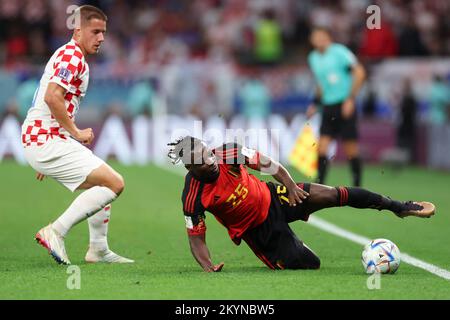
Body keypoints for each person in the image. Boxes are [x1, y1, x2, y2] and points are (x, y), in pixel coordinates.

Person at [167, 136, 435, 272]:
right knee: (311, 264)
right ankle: (294, 245)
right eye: (201, 162)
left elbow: (270, 164)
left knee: (333, 194)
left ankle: (399, 207)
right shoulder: (193, 195)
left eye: (207, 153)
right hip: (259, 231)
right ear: (190, 167)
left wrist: (292, 186)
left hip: (275, 196)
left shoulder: (227, 153)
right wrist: (207, 267)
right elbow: (196, 238)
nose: (210, 161)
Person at [21, 5, 133, 265]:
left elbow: (52, 99)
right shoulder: (72, 56)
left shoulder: (71, 56)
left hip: (46, 139)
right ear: (78, 30)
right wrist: (76, 132)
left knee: (101, 180)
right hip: (45, 139)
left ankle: (98, 249)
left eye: (103, 32)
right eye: (95, 32)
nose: (101, 38)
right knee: (114, 183)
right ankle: (56, 231)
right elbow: (52, 97)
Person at [306, 27, 366, 186]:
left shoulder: (339, 52)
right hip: (328, 106)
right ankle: (320, 185)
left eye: (321, 36)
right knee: (322, 148)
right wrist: (315, 103)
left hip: (344, 104)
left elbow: (359, 72)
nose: (319, 40)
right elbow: (321, 84)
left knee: (350, 149)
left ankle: (357, 185)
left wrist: (350, 99)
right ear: (312, 41)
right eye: (315, 37)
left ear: (328, 37)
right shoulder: (313, 58)